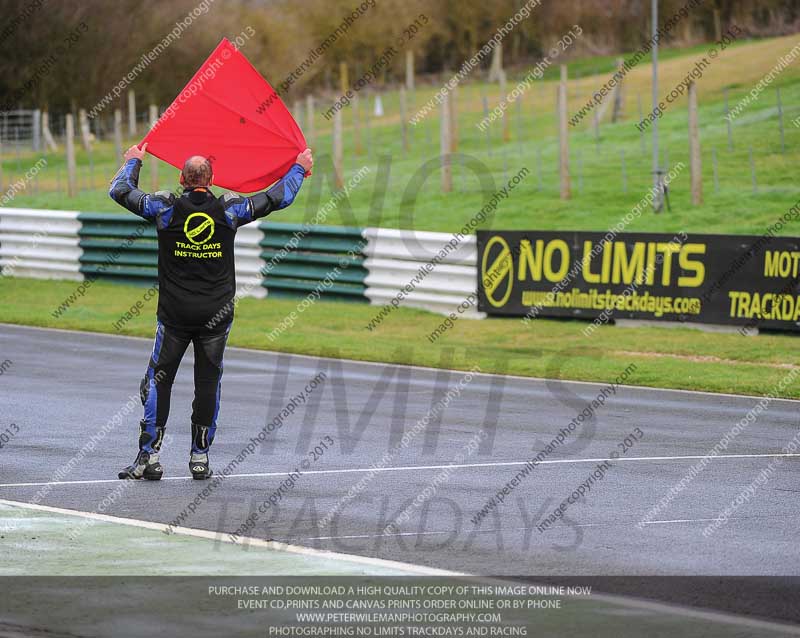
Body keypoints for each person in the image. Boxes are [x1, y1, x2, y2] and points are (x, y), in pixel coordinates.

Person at [109, 143, 313, 480]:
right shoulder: (230, 209)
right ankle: (200, 457)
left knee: (157, 383)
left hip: (174, 316)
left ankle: (148, 457)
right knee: (208, 384)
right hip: (216, 318)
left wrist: (134, 161)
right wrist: (298, 168)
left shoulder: (163, 208)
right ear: (212, 179)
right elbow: (278, 198)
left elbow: (119, 190)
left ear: (181, 178)